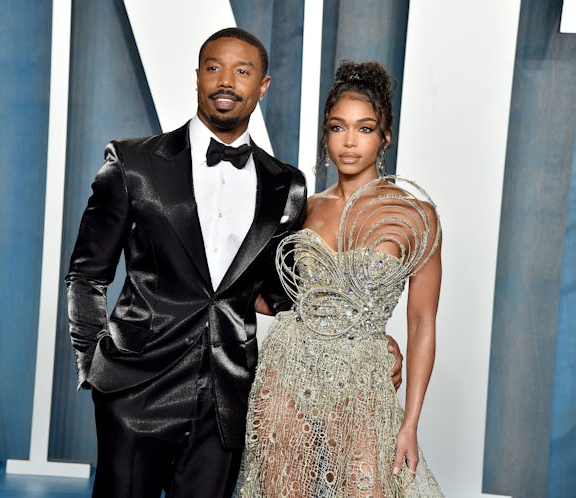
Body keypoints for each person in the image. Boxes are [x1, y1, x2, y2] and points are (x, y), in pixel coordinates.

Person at [66, 28, 403, 498]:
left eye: (242, 71)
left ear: (262, 86)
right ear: (198, 77)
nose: (226, 81)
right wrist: (97, 368)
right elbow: (86, 275)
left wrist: (363, 332)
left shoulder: (286, 185)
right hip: (136, 390)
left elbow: (283, 293)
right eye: (214, 68)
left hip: (226, 401)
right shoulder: (132, 162)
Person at [239, 60, 444, 497]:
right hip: (287, 370)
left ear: (384, 136)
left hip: (363, 381)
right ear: (326, 135)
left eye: (365, 128)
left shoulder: (417, 215)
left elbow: (422, 323)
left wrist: (410, 424)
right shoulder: (303, 207)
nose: (349, 141)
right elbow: (260, 288)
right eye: (338, 127)